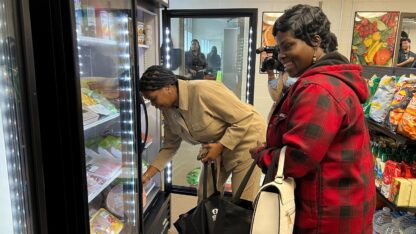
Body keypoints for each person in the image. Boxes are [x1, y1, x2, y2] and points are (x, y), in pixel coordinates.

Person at [250, 4, 375, 233]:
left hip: (324, 217)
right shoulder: (332, 81)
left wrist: (262, 155)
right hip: (340, 209)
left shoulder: (318, 88)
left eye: (288, 46)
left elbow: (299, 157)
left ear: (315, 41)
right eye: (279, 48)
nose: (282, 55)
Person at [139, 65, 266, 202]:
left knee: (242, 202)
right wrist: (147, 175)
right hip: (215, 146)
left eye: (153, 98)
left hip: (247, 139)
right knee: (205, 199)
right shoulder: (168, 110)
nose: (153, 105)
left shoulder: (202, 90)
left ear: (168, 87)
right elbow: (170, 146)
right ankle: (212, 223)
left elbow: (245, 118)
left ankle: (242, 222)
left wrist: (221, 146)